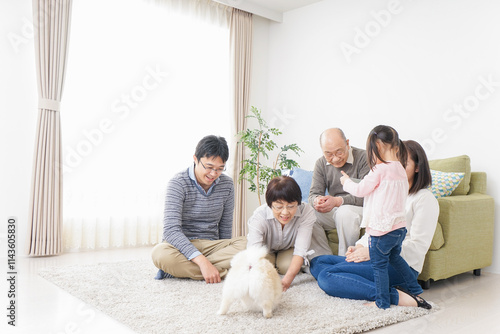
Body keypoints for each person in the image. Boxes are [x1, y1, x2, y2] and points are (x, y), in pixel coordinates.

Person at [310, 139, 438, 309]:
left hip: (401, 266)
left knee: (326, 276)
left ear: (417, 167)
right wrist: (359, 247)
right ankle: (378, 286)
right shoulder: (385, 192)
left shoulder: (424, 199)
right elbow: (374, 229)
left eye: (403, 163)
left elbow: (418, 246)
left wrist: (373, 253)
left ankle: (395, 296)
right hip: (377, 257)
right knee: (317, 262)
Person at [151, 135, 246, 283]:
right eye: (209, 167)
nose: (214, 174)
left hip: (212, 246)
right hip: (181, 247)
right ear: (195, 159)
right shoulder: (178, 183)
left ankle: (182, 271)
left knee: (251, 244)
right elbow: (171, 231)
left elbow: (225, 226)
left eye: (220, 169)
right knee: (159, 253)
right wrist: (202, 261)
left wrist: (223, 251)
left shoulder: (227, 184)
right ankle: (215, 269)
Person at [246, 176, 332, 292]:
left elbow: (300, 250)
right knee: (262, 267)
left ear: (298, 203)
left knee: (287, 267)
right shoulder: (259, 216)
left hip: (288, 248)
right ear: (270, 204)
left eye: (291, 206)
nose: (285, 212)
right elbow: (254, 253)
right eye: (279, 207)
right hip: (264, 248)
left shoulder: (306, 211)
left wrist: (286, 282)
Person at [309, 128, 370, 255]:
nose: (335, 159)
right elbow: (313, 193)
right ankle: (321, 257)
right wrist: (317, 201)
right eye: (329, 154)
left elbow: (367, 196)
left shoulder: (365, 158)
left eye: (339, 152)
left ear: (347, 144)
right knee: (305, 211)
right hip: (335, 210)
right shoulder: (320, 163)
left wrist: (338, 201)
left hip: (360, 209)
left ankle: (345, 260)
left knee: (345, 212)